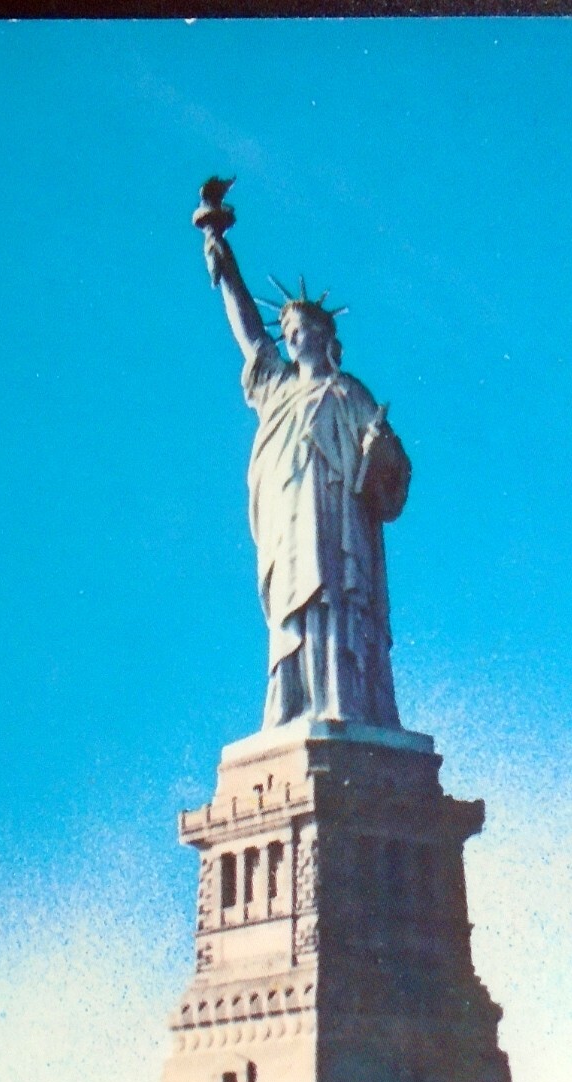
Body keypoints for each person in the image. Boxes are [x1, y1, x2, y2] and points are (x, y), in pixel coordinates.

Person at [203, 229, 411, 730]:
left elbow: (394, 467)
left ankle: (344, 700)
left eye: (300, 326)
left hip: (338, 514)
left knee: (335, 595)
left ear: (323, 334)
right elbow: (250, 334)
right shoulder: (276, 390)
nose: (290, 335)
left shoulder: (348, 392)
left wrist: (377, 450)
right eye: (287, 329)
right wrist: (222, 254)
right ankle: (294, 703)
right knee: (292, 606)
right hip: (288, 516)